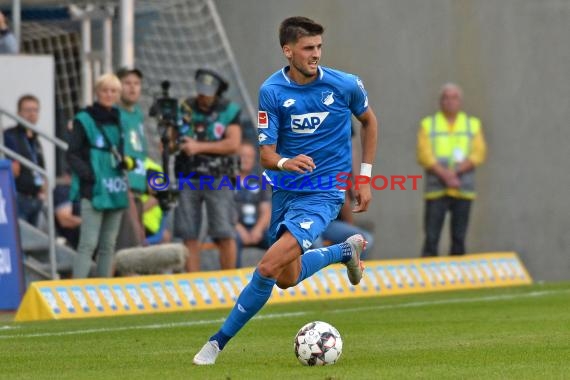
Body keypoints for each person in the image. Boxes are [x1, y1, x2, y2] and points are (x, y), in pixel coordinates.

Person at [193, 16, 378, 365]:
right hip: (285, 191)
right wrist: (284, 162)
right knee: (286, 278)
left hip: (324, 192)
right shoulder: (272, 91)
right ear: (288, 50)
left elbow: (369, 121)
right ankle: (342, 252)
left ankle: (216, 343)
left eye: (319, 47)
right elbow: (266, 154)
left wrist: (364, 178)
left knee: (265, 268)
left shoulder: (345, 85)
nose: (316, 55)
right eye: (309, 48)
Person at [174, 68, 241, 272]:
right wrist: (170, 137)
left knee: (223, 231)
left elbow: (233, 144)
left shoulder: (228, 110)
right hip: (188, 174)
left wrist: (198, 147)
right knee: (189, 233)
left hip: (218, 176)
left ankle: (228, 281)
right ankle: (193, 282)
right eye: (201, 91)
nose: (203, 96)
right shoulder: (184, 107)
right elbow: (170, 141)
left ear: (217, 91)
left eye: (208, 92)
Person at [66, 73, 129, 278]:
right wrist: (89, 175)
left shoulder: (120, 119)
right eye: (105, 90)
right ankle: (76, 291)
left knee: (109, 244)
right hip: (92, 188)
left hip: (115, 185)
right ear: (96, 92)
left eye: (113, 91)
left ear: (119, 94)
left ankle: (104, 289)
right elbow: (72, 153)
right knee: (88, 243)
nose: (109, 95)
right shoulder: (83, 119)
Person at [417, 83, 487, 256]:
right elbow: (424, 154)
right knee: (431, 237)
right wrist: (445, 175)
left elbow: (479, 153)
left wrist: (454, 173)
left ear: (460, 101)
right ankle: (428, 276)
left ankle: (458, 277)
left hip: (463, 189)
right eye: (446, 97)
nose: (450, 101)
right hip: (436, 189)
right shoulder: (429, 124)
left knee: (459, 238)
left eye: (454, 97)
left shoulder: (472, 124)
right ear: (440, 101)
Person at [115, 67, 148, 250]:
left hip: (138, 188)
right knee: (128, 246)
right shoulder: (114, 114)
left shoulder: (138, 115)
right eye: (127, 83)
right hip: (123, 187)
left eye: (136, 83)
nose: (132, 88)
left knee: (137, 243)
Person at [3, 94, 45, 226]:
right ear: (18, 113)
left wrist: (44, 184)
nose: (32, 114)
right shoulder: (9, 135)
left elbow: (40, 165)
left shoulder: (35, 139)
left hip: (36, 197)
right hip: (19, 197)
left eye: (35, 110)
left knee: (33, 243)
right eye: (27, 110)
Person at [234, 141, 271, 267]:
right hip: (235, 228)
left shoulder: (260, 181)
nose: (245, 160)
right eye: (242, 156)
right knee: (232, 239)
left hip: (257, 228)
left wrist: (258, 229)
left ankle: (277, 278)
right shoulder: (227, 180)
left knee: (280, 239)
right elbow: (224, 211)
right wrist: (240, 229)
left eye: (249, 156)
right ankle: (234, 280)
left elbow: (266, 210)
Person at [53, 170, 82, 249]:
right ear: (67, 177)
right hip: (73, 240)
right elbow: (64, 221)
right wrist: (87, 222)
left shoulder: (80, 191)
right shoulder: (63, 191)